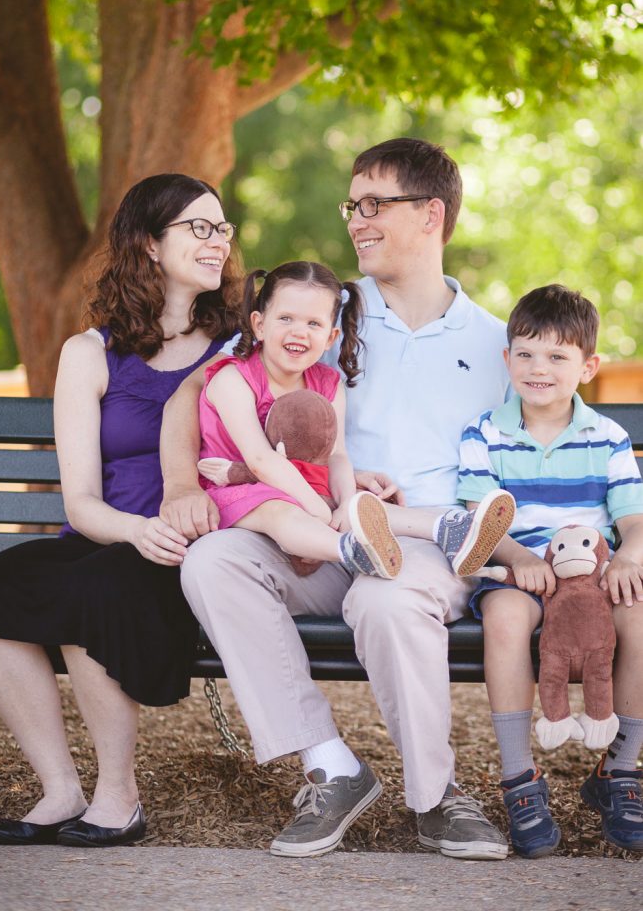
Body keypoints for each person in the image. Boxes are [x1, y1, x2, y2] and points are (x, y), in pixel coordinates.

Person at [162, 137, 512, 860]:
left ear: (431, 215)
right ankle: (331, 765)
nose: (355, 219)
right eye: (352, 205)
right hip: (316, 526)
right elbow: (199, 390)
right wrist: (176, 486)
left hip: (421, 547)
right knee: (215, 560)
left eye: (374, 204)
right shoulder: (319, 314)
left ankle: (436, 797)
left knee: (385, 597)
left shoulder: (497, 345)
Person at [0, 173, 242, 847]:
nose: (218, 242)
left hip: (198, 547)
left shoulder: (240, 348)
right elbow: (81, 500)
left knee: (98, 588)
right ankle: (60, 789)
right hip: (115, 534)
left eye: (222, 228)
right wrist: (134, 531)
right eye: (198, 227)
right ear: (148, 243)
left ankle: (119, 798)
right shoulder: (89, 354)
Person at [456, 284, 643, 857]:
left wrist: (631, 556)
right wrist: (518, 558)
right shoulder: (483, 433)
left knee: (638, 615)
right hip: (521, 567)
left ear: (587, 367)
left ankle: (621, 771)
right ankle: (518, 779)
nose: (539, 368)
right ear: (506, 358)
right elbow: (480, 516)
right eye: (527, 353)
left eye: (558, 356)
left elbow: (631, 517)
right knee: (506, 619)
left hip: (593, 574)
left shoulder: (608, 437)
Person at [197, 259, 515, 579]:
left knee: (361, 502)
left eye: (313, 324)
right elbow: (259, 460)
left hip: (306, 490)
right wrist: (318, 508)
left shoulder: (327, 383)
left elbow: (337, 455)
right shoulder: (233, 379)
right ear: (259, 324)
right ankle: (352, 549)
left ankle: (450, 527)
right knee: (280, 512)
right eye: (286, 318)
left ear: (331, 337)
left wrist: (347, 501)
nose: (299, 332)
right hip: (242, 489)